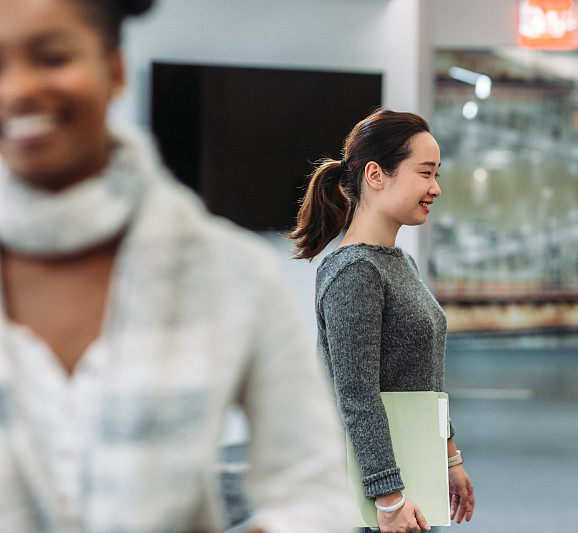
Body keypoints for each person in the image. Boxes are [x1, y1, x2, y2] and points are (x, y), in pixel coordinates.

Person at [0, 0, 349, 531]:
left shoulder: (234, 275)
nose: (17, 88)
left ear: (114, 66)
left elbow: (314, 490)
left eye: (51, 57)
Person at [290, 109, 475, 533]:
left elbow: (423, 377)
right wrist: (388, 498)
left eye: (437, 174)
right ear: (376, 174)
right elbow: (356, 395)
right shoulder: (355, 271)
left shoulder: (396, 262)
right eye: (425, 173)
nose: (436, 188)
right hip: (372, 498)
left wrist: (449, 458)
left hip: (407, 480)